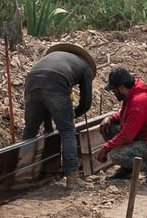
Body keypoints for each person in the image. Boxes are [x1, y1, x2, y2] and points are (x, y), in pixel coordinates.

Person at [20, 42, 96, 185]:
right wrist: (71, 115)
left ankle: (23, 174)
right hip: (56, 81)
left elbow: (46, 105)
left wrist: (49, 129)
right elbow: (86, 103)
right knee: (67, 131)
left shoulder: (55, 58)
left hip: (31, 81)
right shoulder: (85, 67)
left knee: (30, 130)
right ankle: (72, 176)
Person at [95, 67, 147, 185]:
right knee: (108, 128)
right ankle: (128, 169)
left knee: (116, 154)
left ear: (121, 87)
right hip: (144, 138)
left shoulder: (138, 101)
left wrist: (105, 149)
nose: (113, 93)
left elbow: (127, 136)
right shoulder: (131, 93)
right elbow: (125, 115)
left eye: (114, 90)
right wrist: (111, 118)